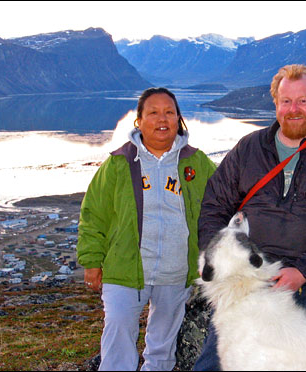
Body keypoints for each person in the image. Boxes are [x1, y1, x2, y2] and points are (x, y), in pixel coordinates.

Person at [194, 64, 306, 370]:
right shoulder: (248, 149)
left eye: (303, 101)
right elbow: (214, 206)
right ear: (275, 104)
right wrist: (221, 260)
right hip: (251, 278)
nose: (294, 110)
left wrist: (303, 271)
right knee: (217, 362)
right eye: (286, 101)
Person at [77, 87, 216, 371]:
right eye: (153, 112)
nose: (161, 119)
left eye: (169, 112)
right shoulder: (119, 163)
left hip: (175, 271)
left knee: (162, 346)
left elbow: (221, 201)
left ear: (179, 118)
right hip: (124, 270)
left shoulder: (196, 163)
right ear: (139, 120)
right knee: (117, 340)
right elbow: (94, 214)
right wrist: (91, 261)